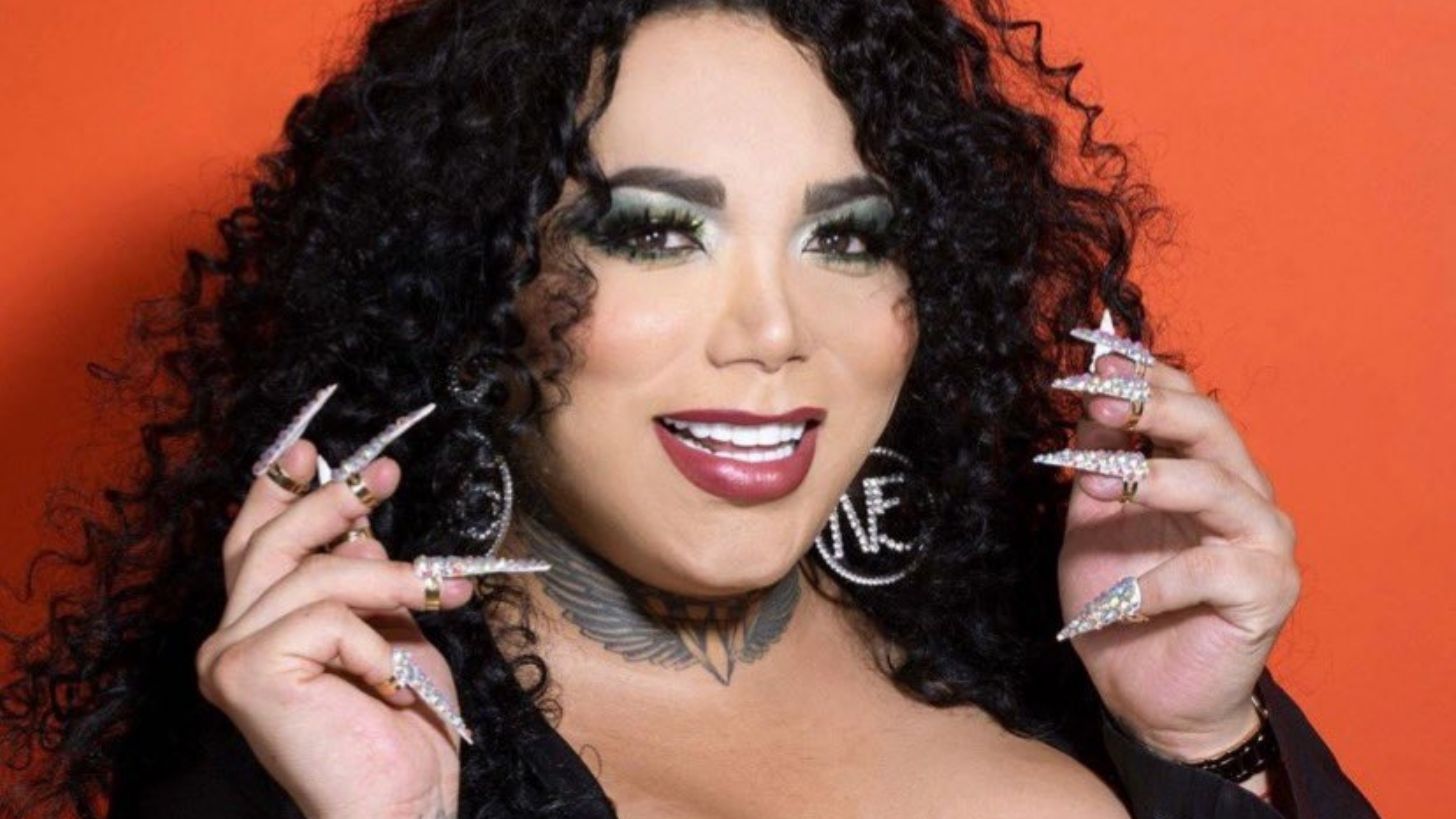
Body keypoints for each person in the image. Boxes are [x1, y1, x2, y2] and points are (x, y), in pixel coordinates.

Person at [0, 1, 1379, 817]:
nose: (775, 332)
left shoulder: (1046, 638)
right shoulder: (322, 738)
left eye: (848, 238)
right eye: (658, 234)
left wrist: (1205, 748)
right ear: (480, 288)